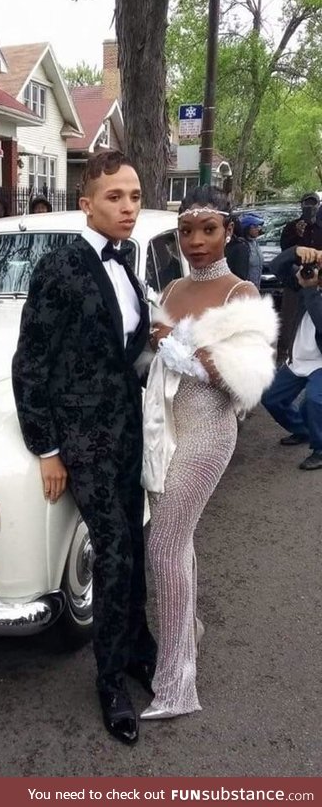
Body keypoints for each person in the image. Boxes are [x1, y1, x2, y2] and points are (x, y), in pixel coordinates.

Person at [12, 150, 156, 745]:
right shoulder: (59, 268)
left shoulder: (128, 262)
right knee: (115, 550)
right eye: (115, 197)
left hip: (127, 428)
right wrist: (46, 448)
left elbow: (126, 347)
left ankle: (138, 647)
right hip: (83, 438)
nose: (128, 207)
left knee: (136, 542)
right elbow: (30, 362)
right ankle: (110, 681)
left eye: (135, 197)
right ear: (87, 203)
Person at [139, 185, 278, 720]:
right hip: (164, 426)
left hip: (208, 429)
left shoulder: (239, 292)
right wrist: (158, 345)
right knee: (174, 538)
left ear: (227, 231)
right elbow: (152, 359)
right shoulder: (171, 286)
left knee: (166, 542)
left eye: (207, 230)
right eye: (186, 231)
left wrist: (183, 351)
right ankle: (186, 624)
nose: (196, 241)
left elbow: (246, 382)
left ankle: (177, 682)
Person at [261, 245, 322, 470]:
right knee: (270, 396)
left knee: (315, 401)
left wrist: (311, 290)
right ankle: (302, 430)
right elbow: (277, 267)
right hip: (298, 360)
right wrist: (296, 251)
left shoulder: (310, 288)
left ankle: (320, 448)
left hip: (320, 364)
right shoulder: (310, 280)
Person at [225, 213, 265, 289]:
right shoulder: (241, 246)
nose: (258, 229)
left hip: (256, 287)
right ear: (247, 228)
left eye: (258, 227)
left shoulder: (255, 243)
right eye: (254, 226)